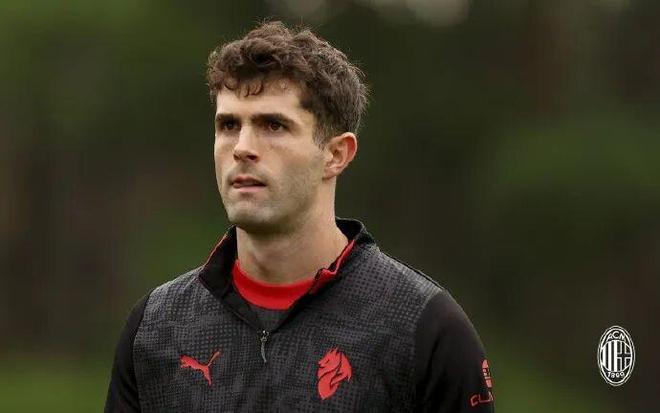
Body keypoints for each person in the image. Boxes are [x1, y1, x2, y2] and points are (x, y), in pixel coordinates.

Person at [104, 20, 495, 412]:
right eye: (229, 125)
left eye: (273, 125)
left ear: (336, 154)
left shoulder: (425, 329)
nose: (242, 147)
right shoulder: (156, 330)